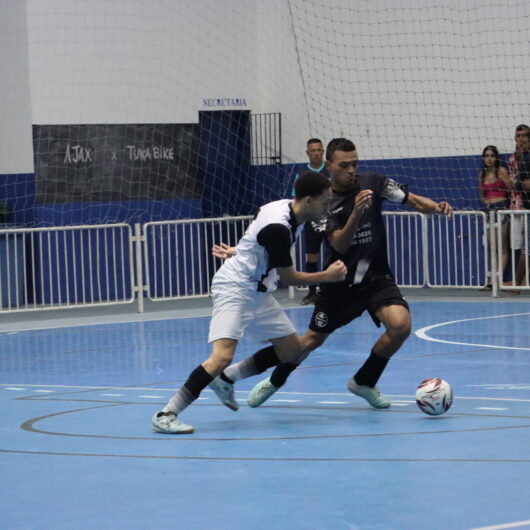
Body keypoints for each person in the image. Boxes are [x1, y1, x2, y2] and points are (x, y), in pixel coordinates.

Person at [231, 138, 453, 410]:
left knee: (401, 326)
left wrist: (437, 207)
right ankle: (276, 380)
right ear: (330, 165)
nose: (352, 170)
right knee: (310, 341)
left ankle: (364, 381)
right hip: (338, 284)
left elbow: (412, 200)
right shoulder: (323, 201)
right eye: (345, 165)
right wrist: (357, 213)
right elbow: (339, 243)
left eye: (355, 164)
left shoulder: (374, 182)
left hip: (376, 278)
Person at [151, 171, 347, 433]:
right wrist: (328, 276)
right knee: (221, 356)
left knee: (292, 350)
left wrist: (238, 250)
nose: (327, 208)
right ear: (308, 200)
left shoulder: (279, 207)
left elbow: (254, 235)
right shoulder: (279, 228)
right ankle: (167, 413)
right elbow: (289, 277)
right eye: (324, 202)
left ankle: (226, 379)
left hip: (259, 290)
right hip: (235, 287)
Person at [292, 139, 331, 305]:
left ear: (323, 152)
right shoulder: (301, 175)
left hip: (331, 220)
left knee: (336, 254)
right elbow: (297, 200)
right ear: (307, 153)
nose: (316, 153)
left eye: (318, 150)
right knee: (312, 256)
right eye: (312, 150)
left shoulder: (331, 171)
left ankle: (331, 292)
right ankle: (312, 293)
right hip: (312, 222)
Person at [479, 145, 512, 286]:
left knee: (502, 246)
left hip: (502, 208)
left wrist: (502, 205)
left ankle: (497, 279)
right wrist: (488, 203)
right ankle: (492, 278)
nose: (489, 158)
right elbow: (482, 196)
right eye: (486, 156)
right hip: (489, 210)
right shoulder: (482, 175)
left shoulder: (502, 171)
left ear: (496, 158)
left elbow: (511, 189)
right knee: (492, 246)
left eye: (492, 155)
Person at [508, 125, 530, 286]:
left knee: (526, 248)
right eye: (519, 136)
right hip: (521, 206)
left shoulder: (526, 159)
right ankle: (519, 282)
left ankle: (520, 282)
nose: (522, 139)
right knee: (525, 248)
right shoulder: (520, 160)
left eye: (525, 136)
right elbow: (521, 185)